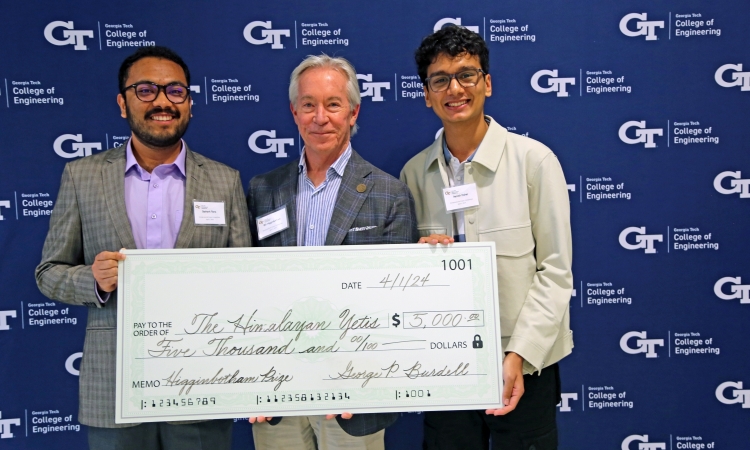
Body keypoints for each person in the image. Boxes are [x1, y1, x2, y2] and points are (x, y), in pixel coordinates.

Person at [35, 46, 251, 450]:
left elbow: (247, 281)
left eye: (175, 91)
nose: (163, 102)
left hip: (201, 387)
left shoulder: (224, 181)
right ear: (123, 103)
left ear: (189, 103)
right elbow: (49, 273)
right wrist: (93, 280)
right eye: (147, 90)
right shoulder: (83, 177)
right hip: (114, 392)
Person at [400, 25, 573, 450]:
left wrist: (519, 355)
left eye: (466, 75)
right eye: (440, 79)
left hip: (526, 364)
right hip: (446, 365)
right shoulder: (412, 176)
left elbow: (555, 272)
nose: (454, 89)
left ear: (487, 83)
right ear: (426, 93)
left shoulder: (535, 162)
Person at [246, 54, 418, 450]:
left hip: (354, 391)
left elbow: (395, 300)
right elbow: (248, 291)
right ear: (294, 112)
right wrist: (250, 377)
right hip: (277, 389)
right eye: (308, 105)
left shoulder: (388, 193)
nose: (320, 117)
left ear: (354, 112)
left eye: (333, 104)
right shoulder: (263, 190)